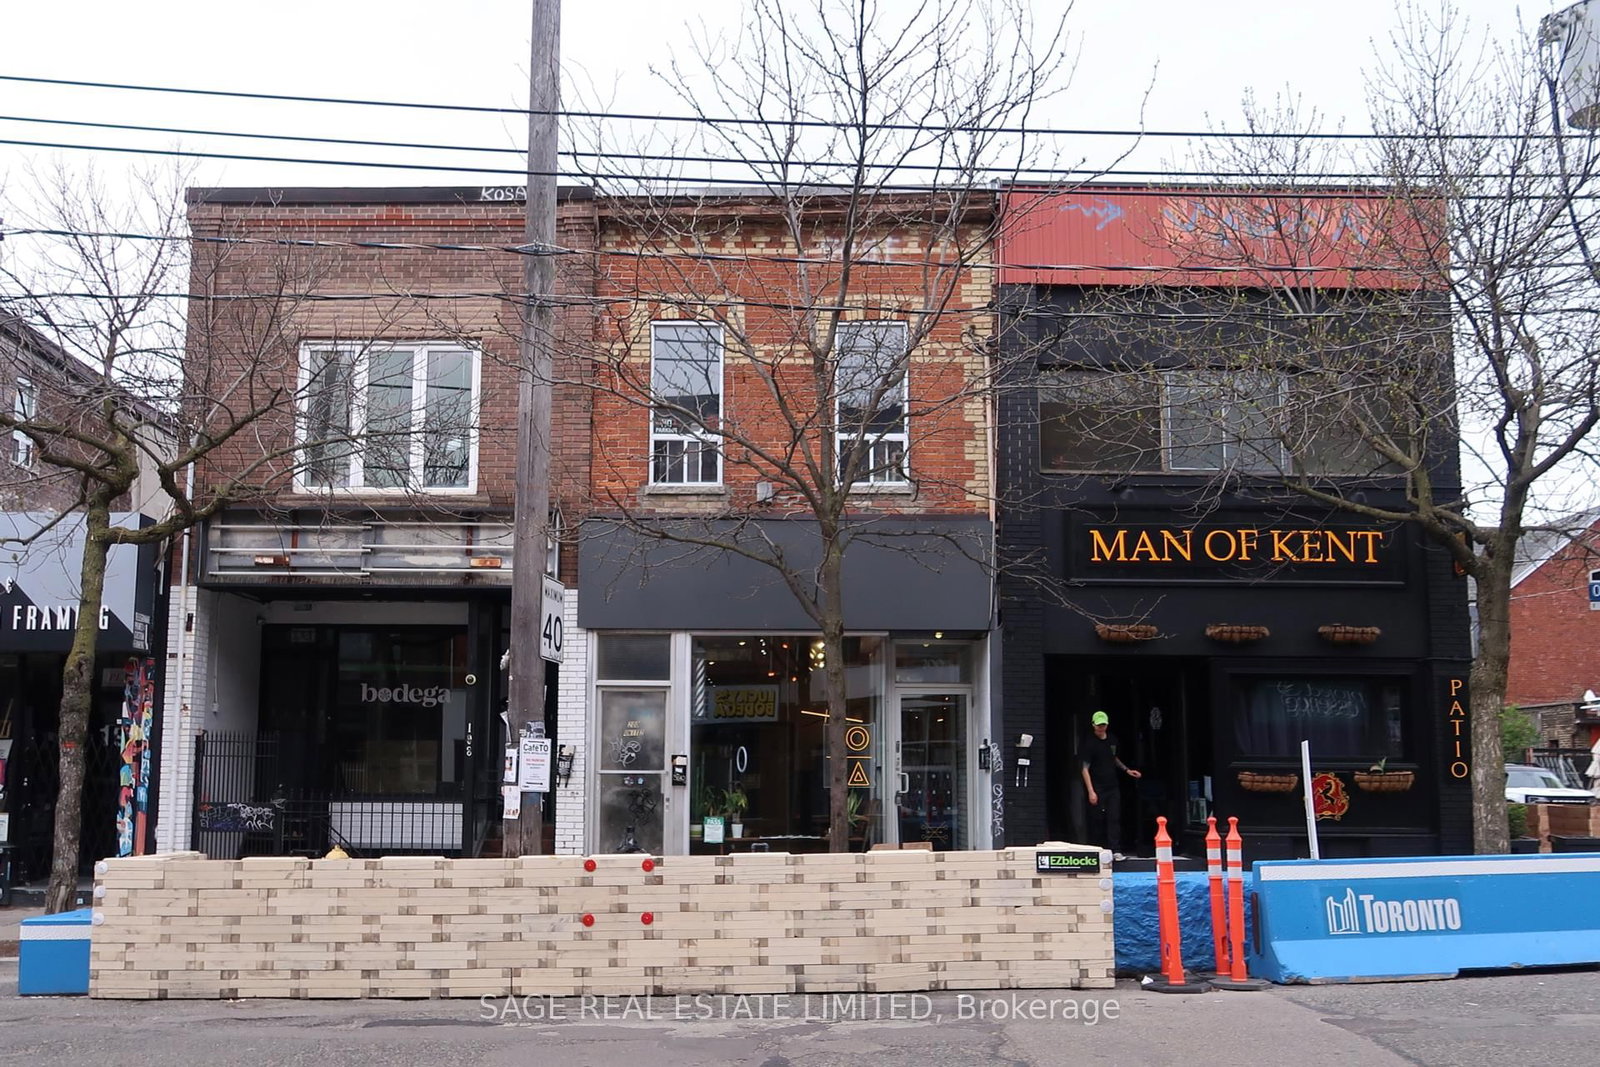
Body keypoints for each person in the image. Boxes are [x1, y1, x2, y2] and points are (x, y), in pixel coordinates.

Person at [1080, 710, 1140, 859]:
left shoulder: (1112, 740)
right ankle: (1098, 849)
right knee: (1097, 819)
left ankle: (1115, 850)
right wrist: (1091, 791)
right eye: (1099, 725)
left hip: (1112, 785)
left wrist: (1126, 770)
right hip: (1098, 786)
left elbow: (1113, 758)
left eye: (1103, 725)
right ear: (1093, 725)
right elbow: (1084, 768)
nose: (1101, 728)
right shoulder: (1089, 743)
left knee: (1114, 818)